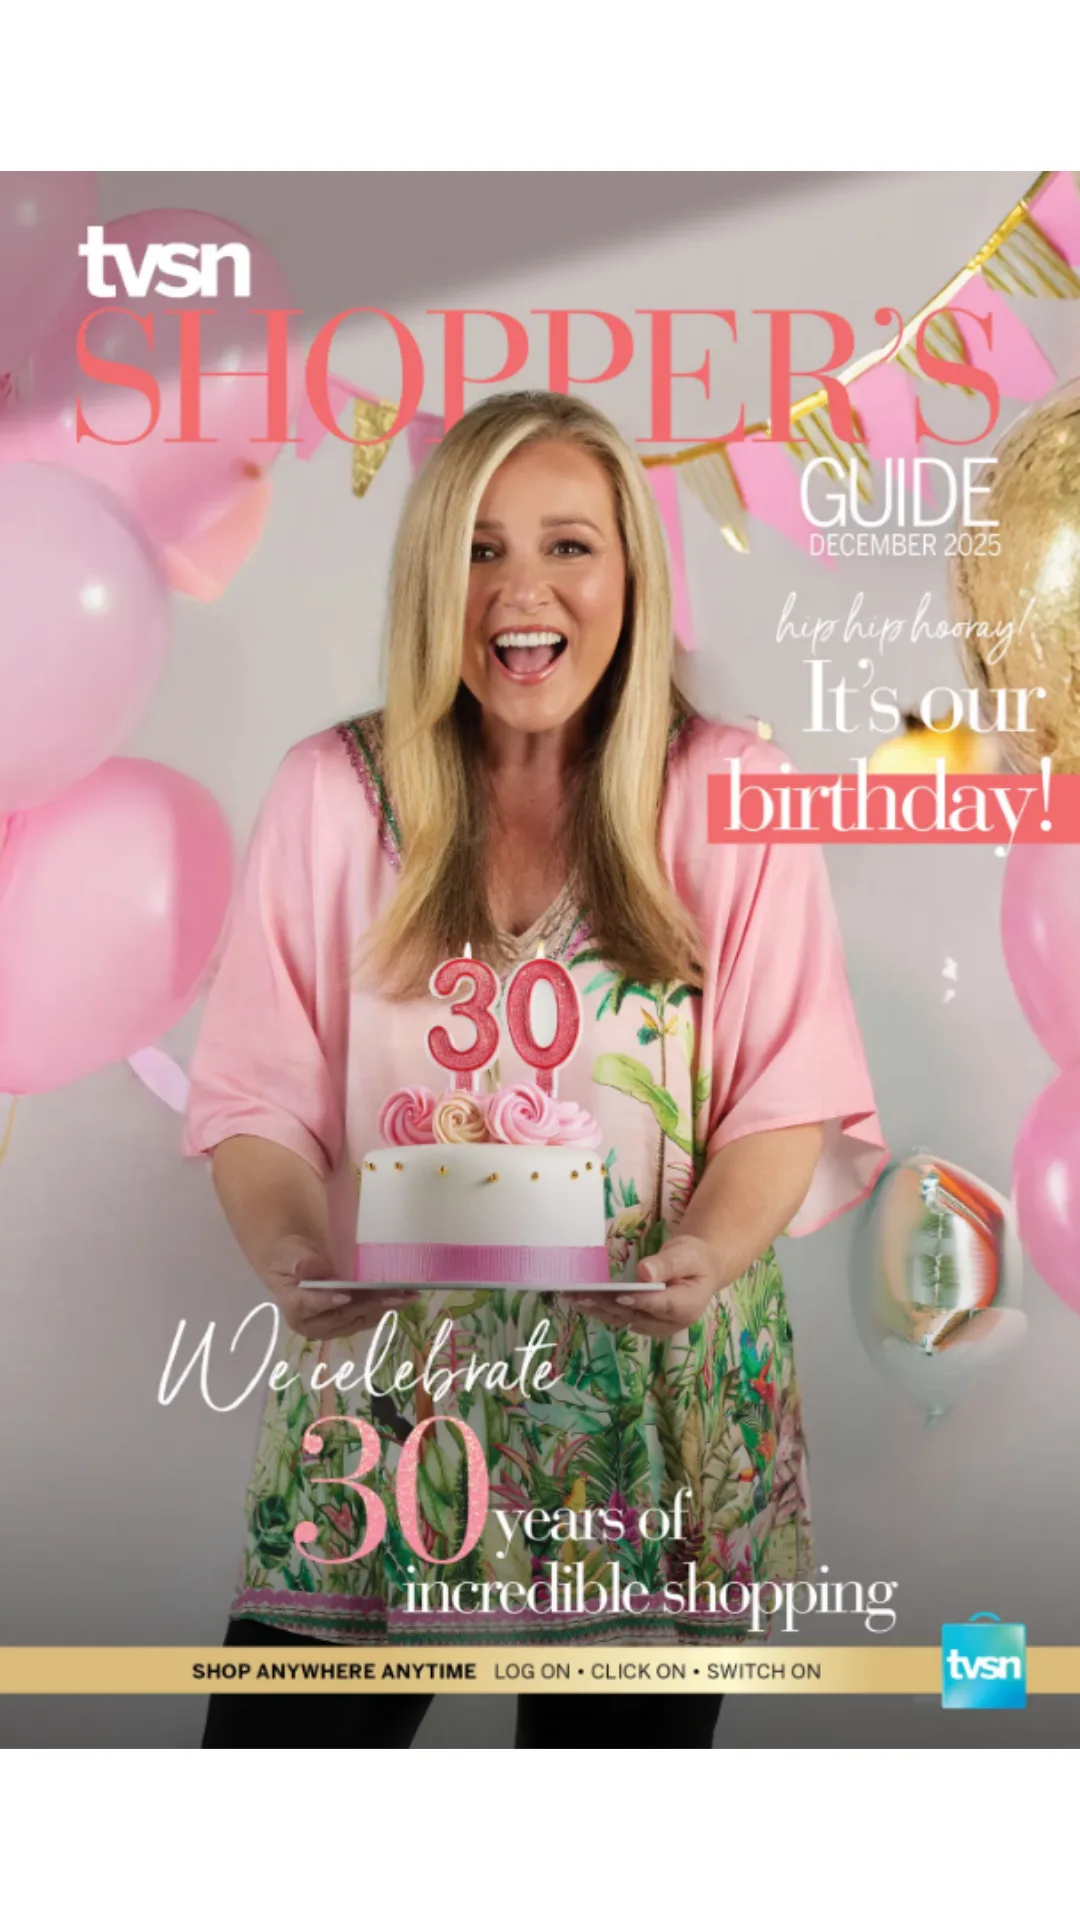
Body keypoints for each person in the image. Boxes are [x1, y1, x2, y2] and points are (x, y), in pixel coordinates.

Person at [182, 388, 887, 1748]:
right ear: (430, 581)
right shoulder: (332, 792)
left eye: (569, 544)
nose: (523, 588)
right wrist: (284, 1250)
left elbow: (784, 1098)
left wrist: (707, 1255)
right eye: (481, 549)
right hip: (393, 1392)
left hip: (649, 1404)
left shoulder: (729, 794)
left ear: (632, 572)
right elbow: (257, 1094)